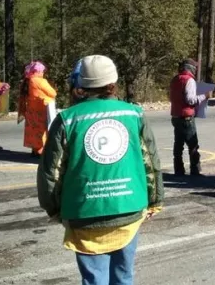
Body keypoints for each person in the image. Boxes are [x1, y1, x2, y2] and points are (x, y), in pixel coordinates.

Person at [38, 55, 164, 285]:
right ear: (113, 83)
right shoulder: (133, 114)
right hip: (128, 208)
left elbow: (51, 171)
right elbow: (150, 161)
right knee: (123, 276)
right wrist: (155, 200)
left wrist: (53, 208)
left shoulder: (67, 119)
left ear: (80, 85)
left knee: (94, 279)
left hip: (84, 213)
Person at [169, 59, 208, 177]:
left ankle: (178, 170)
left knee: (178, 145)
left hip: (176, 115)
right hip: (186, 116)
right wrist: (204, 96)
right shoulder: (189, 80)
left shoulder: (175, 79)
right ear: (191, 68)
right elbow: (190, 100)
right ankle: (195, 170)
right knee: (193, 144)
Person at [18, 61, 57, 157]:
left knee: (33, 130)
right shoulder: (40, 81)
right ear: (38, 71)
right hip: (41, 109)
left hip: (31, 110)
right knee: (41, 130)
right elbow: (53, 93)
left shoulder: (28, 80)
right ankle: (41, 151)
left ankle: (35, 150)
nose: (43, 73)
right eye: (42, 71)